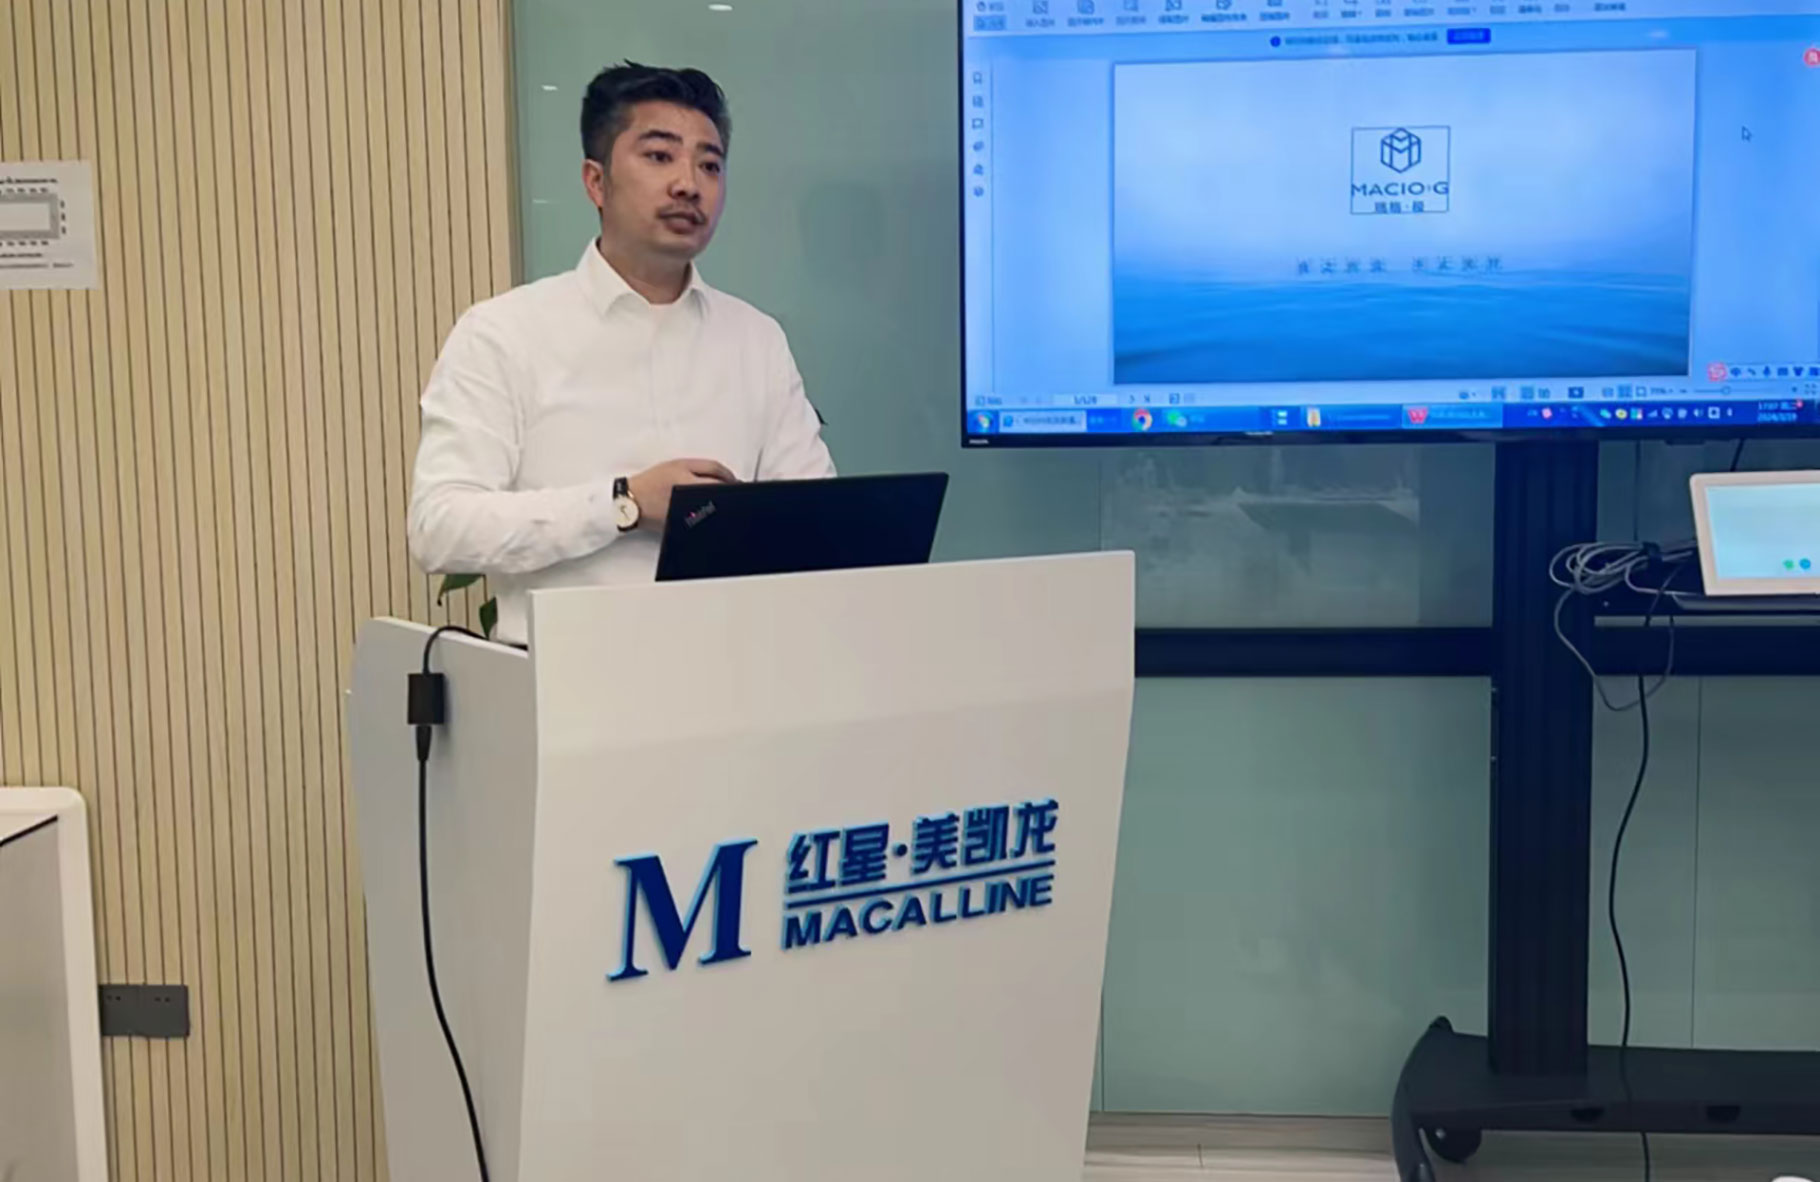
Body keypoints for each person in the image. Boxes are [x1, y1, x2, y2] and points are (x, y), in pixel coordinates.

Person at [408, 62, 835, 644]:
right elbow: (439, 527)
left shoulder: (756, 339)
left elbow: (816, 522)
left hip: (732, 669)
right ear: (596, 182)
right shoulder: (504, 333)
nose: (688, 183)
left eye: (710, 165)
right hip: (565, 675)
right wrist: (623, 503)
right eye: (659, 156)